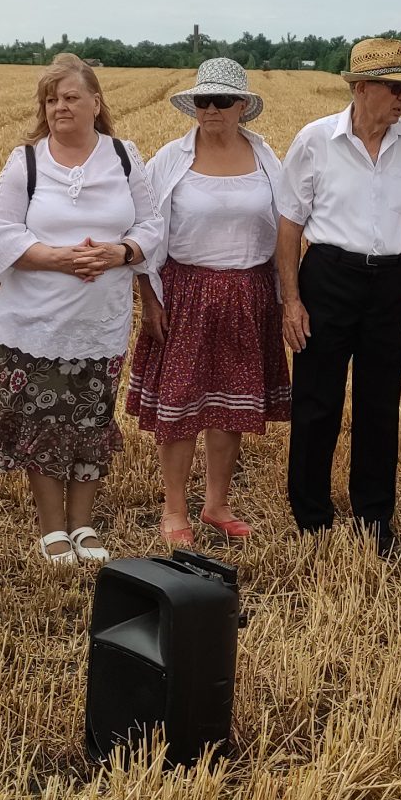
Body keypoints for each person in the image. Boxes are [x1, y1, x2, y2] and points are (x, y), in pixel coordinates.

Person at [0, 54, 156, 565]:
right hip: (36, 324)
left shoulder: (124, 157)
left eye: (71, 97)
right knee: (43, 425)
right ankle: (53, 529)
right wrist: (59, 258)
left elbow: (152, 226)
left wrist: (120, 253)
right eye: (51, 99)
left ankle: (84, 525)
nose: (60, 106)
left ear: (96, 103)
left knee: (91, 421)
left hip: (101, 324)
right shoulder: (26, 162)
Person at [277, 37, 401, 550]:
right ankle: (311, 518)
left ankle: (375, 519)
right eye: (395, 88)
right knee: (316, 401)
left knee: (380, 406)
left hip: (391, 284)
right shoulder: (314, 141)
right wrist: (291, 301)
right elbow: (289, 225)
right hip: (329, 278)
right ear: (361, 88)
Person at [128, 58, 290, 546]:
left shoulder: (267, 159)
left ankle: (217, 504)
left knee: (230, 405)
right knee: (180, 406)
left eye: (221, 100)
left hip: (249, 293)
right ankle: (174, 511)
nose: (211, 109)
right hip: (186, 293)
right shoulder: (169, 160)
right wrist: (149, 300)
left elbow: (288, 226)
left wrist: (286, 296)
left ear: (242, 106)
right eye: (203, 100)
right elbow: (144, 231)